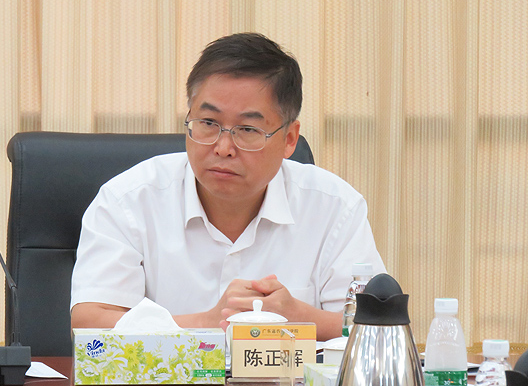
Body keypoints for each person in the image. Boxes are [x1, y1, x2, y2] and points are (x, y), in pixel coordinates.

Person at [70, 32, 385, 341]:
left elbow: (376, 328)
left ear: (289, 139)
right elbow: (89, 325)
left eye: (247, 129)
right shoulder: (128, 201)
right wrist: (207, 323)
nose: (223, 148)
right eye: (208, 123)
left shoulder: (335, 208)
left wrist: (298, 317)